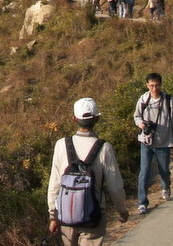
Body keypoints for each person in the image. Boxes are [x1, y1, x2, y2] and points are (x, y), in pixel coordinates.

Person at [48, 98, 129, 245]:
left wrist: (53, 216)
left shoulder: (61, 145)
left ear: (74, 119)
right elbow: (115, 186)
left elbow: (54, 184)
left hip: (66, 215)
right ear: (97, 119)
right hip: (94, 215)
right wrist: (122, 209)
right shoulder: (104, 148)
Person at [133, 73, 173, 214]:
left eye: (157, 85)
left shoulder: (168, 101)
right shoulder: (143, 99)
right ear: (147, 85)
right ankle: (142, 202)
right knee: (144, 171)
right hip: (146, 141)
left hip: (163, 141)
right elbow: (136, 116)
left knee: (164, 170)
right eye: (151, 85)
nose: (154, 88)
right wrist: (141, 124)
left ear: (161, 84)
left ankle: (165, 186)